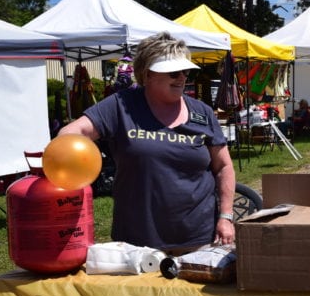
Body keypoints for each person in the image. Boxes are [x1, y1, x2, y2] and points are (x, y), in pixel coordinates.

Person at [58, 31, 236, 256]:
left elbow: (223, 166)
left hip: (198, 238)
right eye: (173, 72)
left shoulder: (203, 112)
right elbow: (70, 134)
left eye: (185, 71)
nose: (182, 78)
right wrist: (81, 166)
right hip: (138, 243)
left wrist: (226, 217)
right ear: (148, 74)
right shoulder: (120, 105)